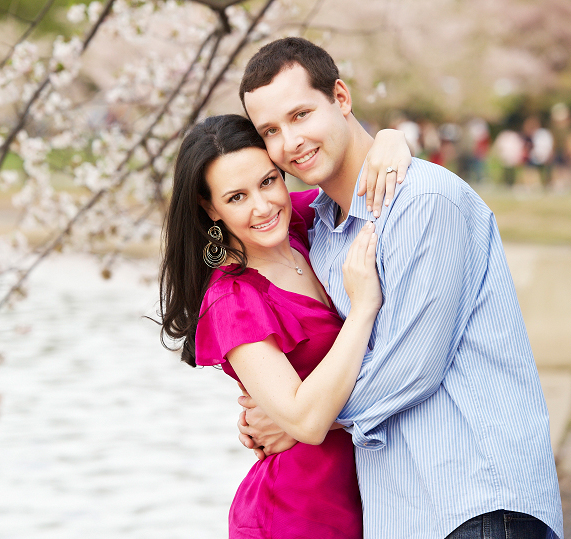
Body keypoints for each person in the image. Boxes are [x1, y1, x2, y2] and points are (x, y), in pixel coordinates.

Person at [236, 37, 562, 538]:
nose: (290, 142)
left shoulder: (425, 203)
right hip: (402, 512)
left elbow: (412, 365)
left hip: (477, 499)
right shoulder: (321, 231)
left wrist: (300, 418)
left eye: (301, 115)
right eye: (271, 131)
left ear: (341, 99)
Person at [158, 113, 409, 537]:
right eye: (236, 197)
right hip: (296, 513)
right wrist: (364, 308)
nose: (262, 206)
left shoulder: (303, 224)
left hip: (372, 496)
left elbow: (366, 176)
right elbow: (306, 421)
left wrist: (390, 139)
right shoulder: (233, 300)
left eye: (268, 181)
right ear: (209, 207)